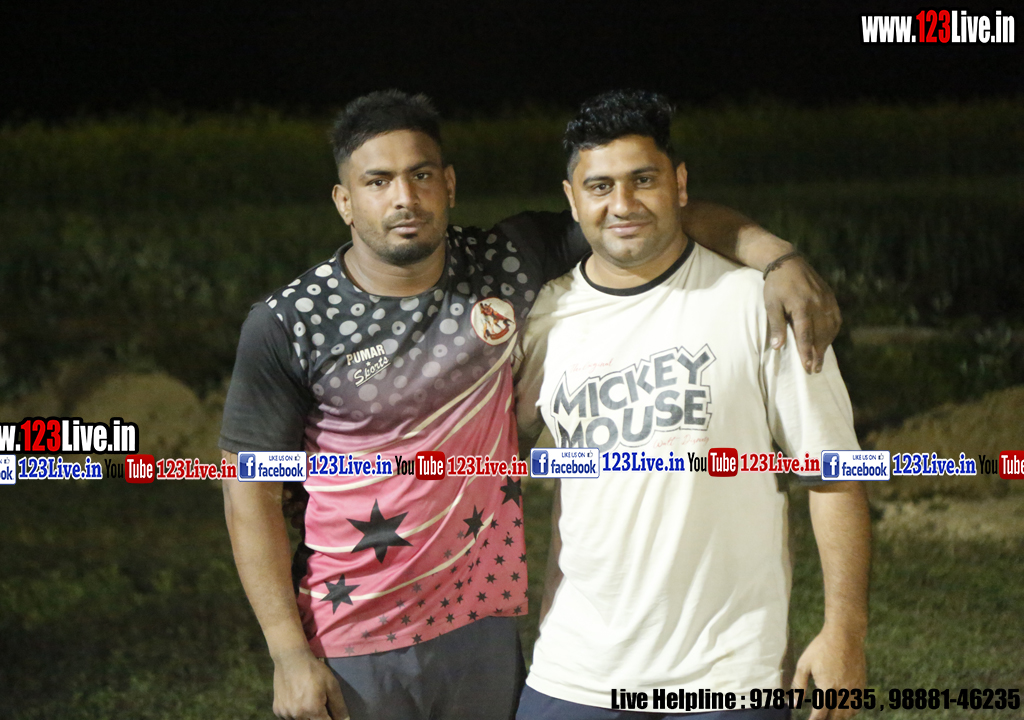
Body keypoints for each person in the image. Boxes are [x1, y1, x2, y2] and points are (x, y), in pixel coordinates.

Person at [219, 89, 844, 720]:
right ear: (344, 201)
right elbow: (248, 493)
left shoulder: (506, 263)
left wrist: (777, 258)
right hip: (352, 630)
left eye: (421, 175)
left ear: (449, 184)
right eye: (377, 181)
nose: (404, 197)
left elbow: (642, 217)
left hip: (482, 621)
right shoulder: (289, 323)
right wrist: (287, 653)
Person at [513, 90, 870, 720]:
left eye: (643, 180)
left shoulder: (757, 303)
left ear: (679, 184)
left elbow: (835, 474)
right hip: (573, 675)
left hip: (726, 679)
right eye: (599, 187)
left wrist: (845, 631)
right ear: (572, 199)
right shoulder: (547, 315)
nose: (622, 203)